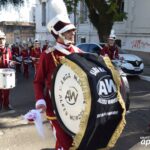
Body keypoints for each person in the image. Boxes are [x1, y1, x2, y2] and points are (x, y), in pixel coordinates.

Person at [33, 12, 81, 149]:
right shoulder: (47, 55)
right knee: (66, 144)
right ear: (59, 34)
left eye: (73, 30)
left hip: (76, 106)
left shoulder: (78, 52)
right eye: (68, 31)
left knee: (69, 141)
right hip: (55, 108)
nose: (73, 33)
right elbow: (38, 82)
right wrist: (40, 100)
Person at [0, 30, 16, 111]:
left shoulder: (8, 50)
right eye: (0, 39)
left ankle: (6, 105)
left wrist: (12, 63)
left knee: (6, 92)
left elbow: (9, 61)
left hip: (5, 75)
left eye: (3, 39)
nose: (1, 41)